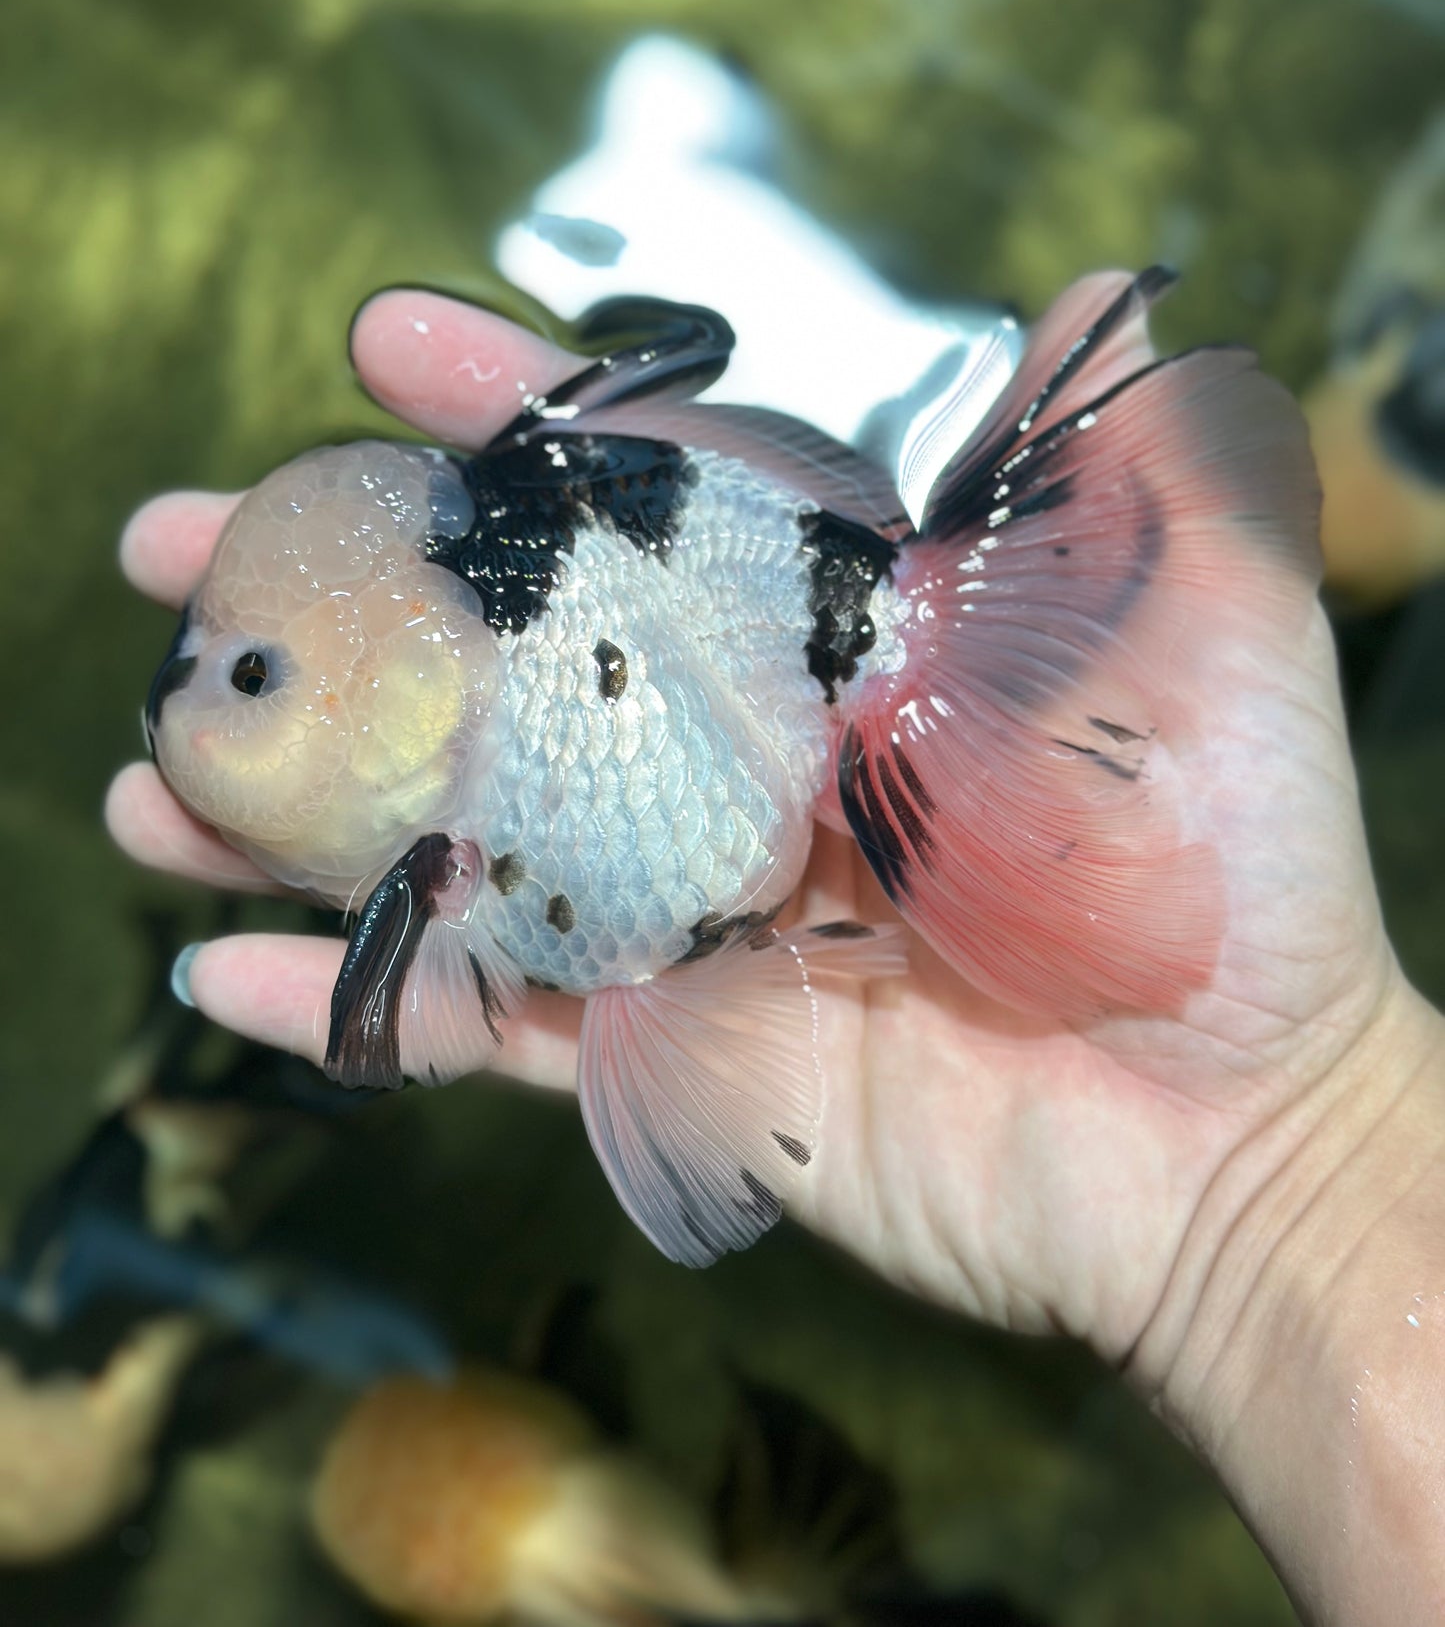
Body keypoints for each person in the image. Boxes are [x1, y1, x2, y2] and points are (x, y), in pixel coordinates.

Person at [107, 286, 1445, 1625]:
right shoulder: (430, 795)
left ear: (411, 693)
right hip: (734, 724)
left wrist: (1296, 1151)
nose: (193, 689)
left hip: (763, 648)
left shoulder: (454, 805)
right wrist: (1292, 1177)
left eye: (250, 675)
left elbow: (405, 1014)